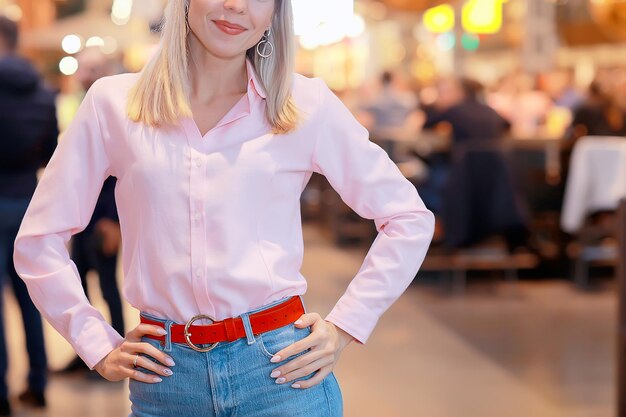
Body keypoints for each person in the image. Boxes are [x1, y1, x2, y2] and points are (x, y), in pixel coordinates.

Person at [13, 1, 434, 415]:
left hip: (281, 375)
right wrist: (95, 343)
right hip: (166, 379)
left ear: (274, 12)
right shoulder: (114, 104)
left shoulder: (302, 104)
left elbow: (408, 218)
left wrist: (346, 325)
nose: (236, 6)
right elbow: (39, 239)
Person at [56, 48, 126, 375]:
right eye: (83, 69)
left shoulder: (116, 106)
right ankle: (88, 352)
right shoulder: (81, 105)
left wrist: (113, 220)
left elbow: (118, 172)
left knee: (110, 286)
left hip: (104, 217)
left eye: (91, 69)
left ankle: (120, 348)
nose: (84, 75)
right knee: (80, 282)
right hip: (80, 218)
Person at [0, 15, 56, 416]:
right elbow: (51, 151)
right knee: (29, 296)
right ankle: (38, 382)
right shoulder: (42, 91)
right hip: (28, 200)